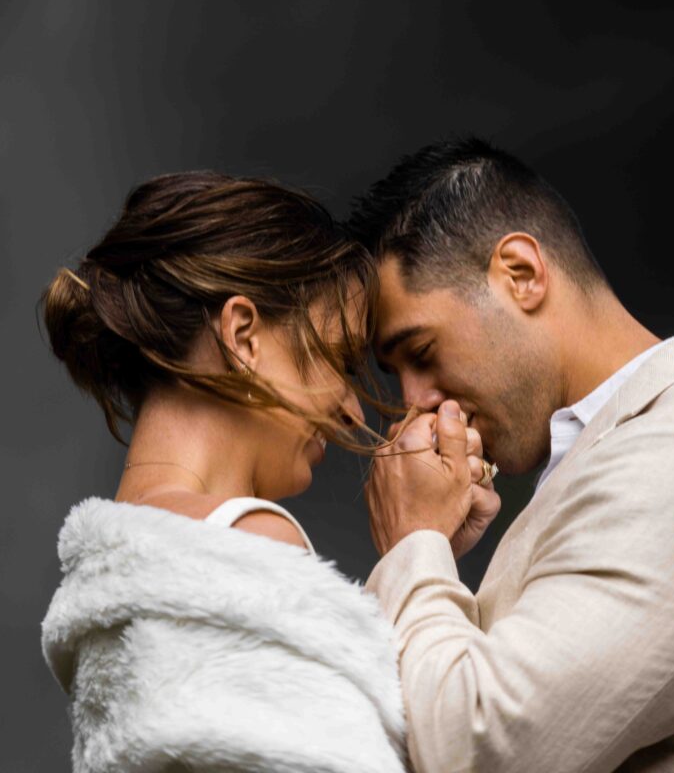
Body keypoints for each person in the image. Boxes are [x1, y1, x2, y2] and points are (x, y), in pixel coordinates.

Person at [41, 171, 406, 773]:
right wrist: (419, 549)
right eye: (337, 358)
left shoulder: (105, 571)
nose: (351, 407)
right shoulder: (248, 539)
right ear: (243, 336)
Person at [348, 138, 674, 773]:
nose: (414, 402)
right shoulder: (606, 450)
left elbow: (480, 749)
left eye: (420, 352)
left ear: (521, 274)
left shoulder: (672, 444)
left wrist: (412, 543)